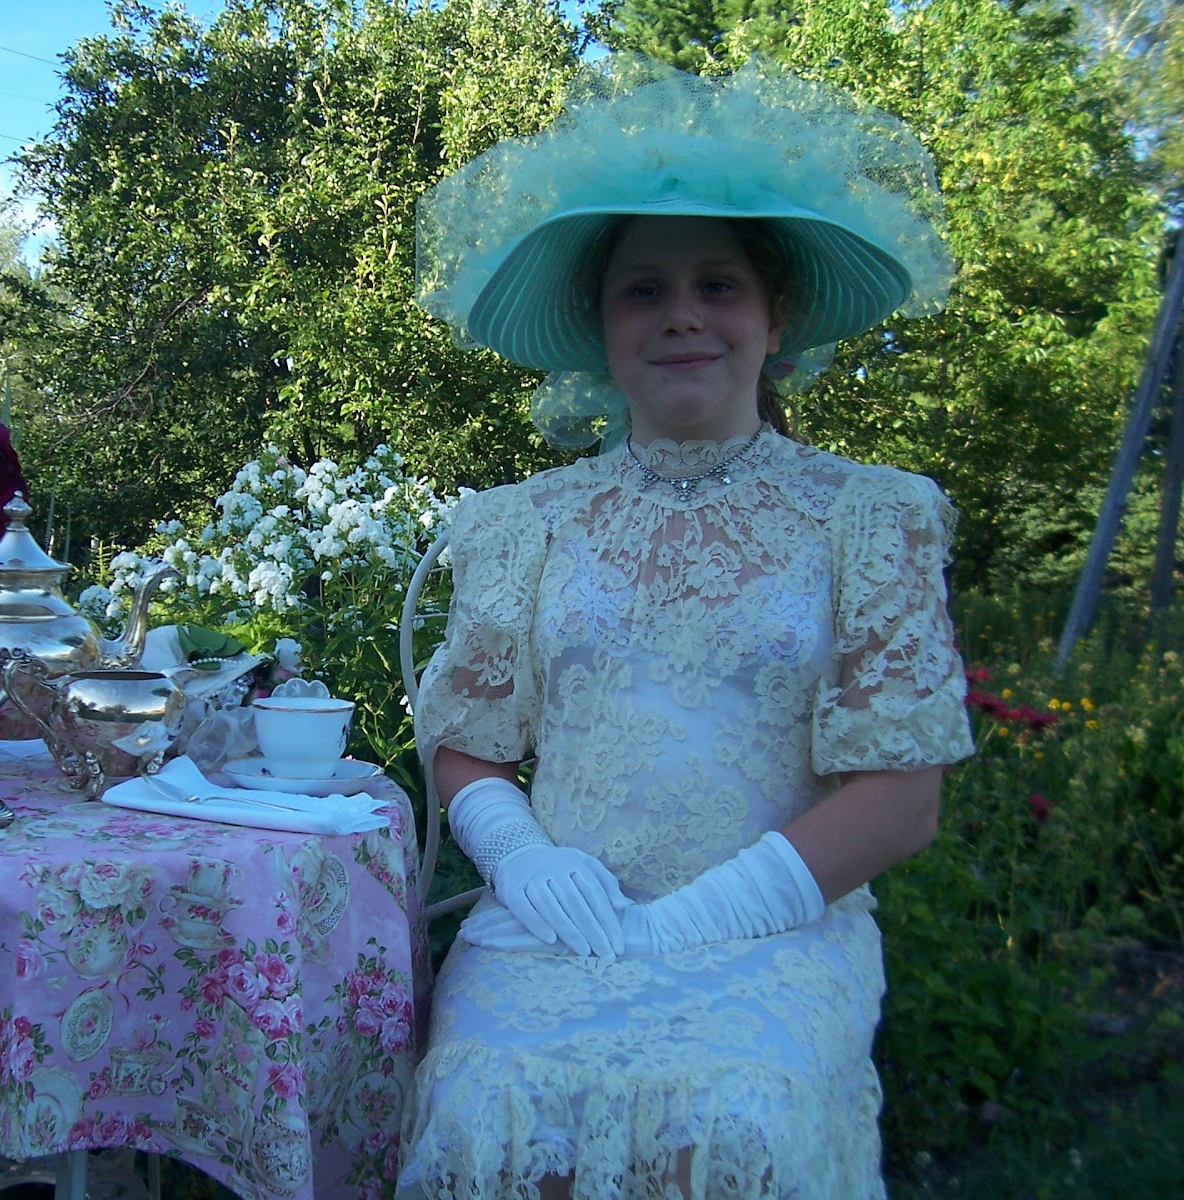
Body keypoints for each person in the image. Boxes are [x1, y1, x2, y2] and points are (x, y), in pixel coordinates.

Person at [398, 56, 975, 1200]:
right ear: (599, 323)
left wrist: (708, 917)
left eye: (717, 284)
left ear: (776, 316)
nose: (680, 315)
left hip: (775, 930)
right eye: (642, 290)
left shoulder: (868, 516)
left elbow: (902, 796)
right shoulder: (522, 522)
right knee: (483, 1106)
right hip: (553, 927)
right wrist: (522, 861)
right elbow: (469, 740)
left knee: (728, 1125)